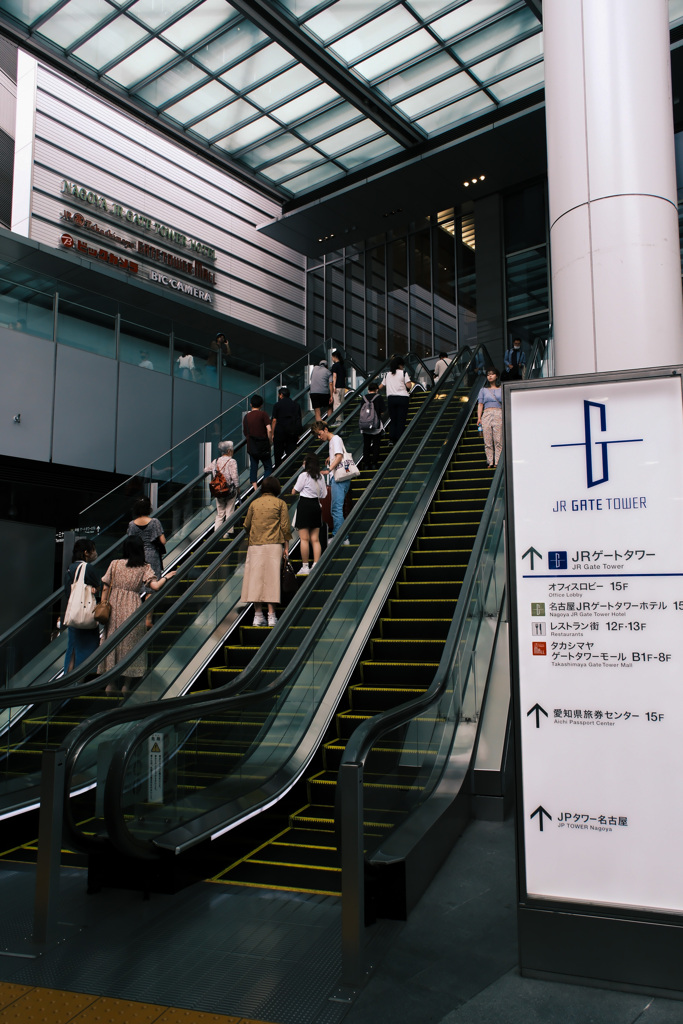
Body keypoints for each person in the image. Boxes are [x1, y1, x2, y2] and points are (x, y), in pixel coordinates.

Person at [99, 535, 174, 693]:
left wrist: (103, 605)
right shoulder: (144, 567)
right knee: (132, 644)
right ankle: (127, 684)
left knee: (113, 643)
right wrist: (166, 577)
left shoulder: (115, 564)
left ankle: (111, 684)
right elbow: (155, 586)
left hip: (114, 608)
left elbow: (105, 587)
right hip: (133, 607)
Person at [241, 475, 292, 627]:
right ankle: (271, 616)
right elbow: (285, 527)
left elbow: (246, 525)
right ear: (276, 488)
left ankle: (257, 616)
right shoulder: (280, 503)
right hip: (274, 545)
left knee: (255, 580)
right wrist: (286, 548)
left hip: (255, 545)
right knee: (272, 580)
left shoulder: (254, 504)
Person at [63, 537, 101, 673]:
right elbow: (98, 586)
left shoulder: (70, 568)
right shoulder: (88, 568)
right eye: (93, 550)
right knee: (88, 650)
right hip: (87, 616)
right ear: (86, 552)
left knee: (72, 649)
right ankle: (82, 680)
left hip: (74, 614)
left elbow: (68, 591)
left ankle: (67, 683)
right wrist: (95, 589)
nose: (95, 553)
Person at [315, 421, 351, 543]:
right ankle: (341, 537)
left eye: (320, 434)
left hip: (338, 478)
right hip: (338, 478)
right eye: (317, 436)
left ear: (325, 429)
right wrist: (330, 458)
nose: (320, 437)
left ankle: (340, 537)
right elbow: (337, 455)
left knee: (336, 509)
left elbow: (339, 456)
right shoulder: (333, 441)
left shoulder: (335, 439)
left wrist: (328, 469)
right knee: (335, 509)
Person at [291, 454, 327, 575]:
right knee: (315, 539)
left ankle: (305, 566)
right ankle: (316, 565)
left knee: (304, 539)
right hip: (316, 506)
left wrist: (294, 490)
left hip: (304, 505)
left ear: (307, 463)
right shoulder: (320, 476)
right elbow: (324, 495)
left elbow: (294, 491)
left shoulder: (303, 475)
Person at [204, 439, 239, 533]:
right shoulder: (232, 461)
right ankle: (228, 532)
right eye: (232, 449)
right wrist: (237, 487)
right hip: (229, 490)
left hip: (218, 491)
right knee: (229, 511)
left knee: (220, 513)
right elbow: (234, 476)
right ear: (228, 451)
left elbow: (205, 470)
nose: (233, 451)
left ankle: (217, 533)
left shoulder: (215, 461)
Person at [127, 497, 166, 579]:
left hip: (137, 556)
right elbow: (163, 541)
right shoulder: (155, 522)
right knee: (153, 581)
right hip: (152, 554)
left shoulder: (132, 524)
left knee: (139, 582)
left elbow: (130, 542)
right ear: (149, 508)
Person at [243, 394, 273, 491]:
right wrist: (270, 440)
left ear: (251, 404)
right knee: (268, 467)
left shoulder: (246, 417)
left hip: (252, 446)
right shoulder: (263, 414)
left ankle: (255, 489)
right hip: (263, 445)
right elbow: (269, 429)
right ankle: (264, 485)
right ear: (261, 405)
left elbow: (245, 432)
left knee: (253, 467)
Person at [477, 367, 503, 469]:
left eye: (492, 374)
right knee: (487, 440)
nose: (490, 376)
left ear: (496, 376)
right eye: (488, 375)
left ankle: (497, 462)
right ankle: (490, 461)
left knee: (498, 439)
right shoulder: (483, 390)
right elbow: (480, 404)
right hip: (486, 414)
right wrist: (479, 418)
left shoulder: (502, 388)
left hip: (499, 413)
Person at [271, 386, 302, 467]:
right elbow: (298, 420)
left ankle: (278, 471)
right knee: (291, 453)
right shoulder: (296, 405)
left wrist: (272, 434)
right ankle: (290, 470)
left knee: (278, 455)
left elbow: (274, 420)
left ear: (281, 395)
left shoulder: (277, 405)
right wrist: (298, 433)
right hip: (292, 432)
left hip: (279, 432)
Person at [384, 355, 413, 444]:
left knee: (393, 420)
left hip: (391, 399)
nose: (403, 367)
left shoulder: (387, 374)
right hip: (402, 398)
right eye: (402, 365)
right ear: (400, 365)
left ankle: (391, 439)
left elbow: (381, 385)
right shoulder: (403, 373)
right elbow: (409, 385)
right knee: (401, 419)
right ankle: (399, 438)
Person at [359, 381, 385, 470]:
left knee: (366, 445)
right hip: (375, 426)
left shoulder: (364, 398)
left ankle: (366, 464)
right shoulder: (379, 397)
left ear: (368, 389)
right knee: (376, 445)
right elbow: (382, 411)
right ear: (377, 389)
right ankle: (374, 464)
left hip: (365, 426)